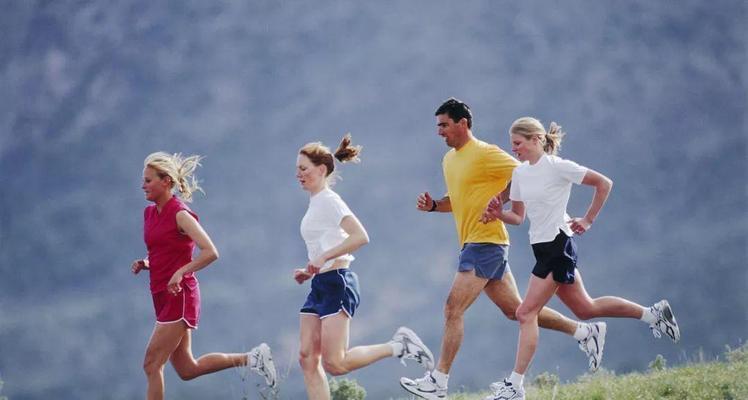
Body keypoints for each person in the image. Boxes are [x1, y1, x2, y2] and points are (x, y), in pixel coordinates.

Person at [400, 99, 605, 400]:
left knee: (452, 308)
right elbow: (458, 200)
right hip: (476, 241)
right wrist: (434, 206)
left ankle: (438, 382)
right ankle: (585, 333)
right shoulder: (449, 161)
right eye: (438, 126)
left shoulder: (486, 153)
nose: (439, 132)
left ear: (462, 123)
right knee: (517, 311)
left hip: (486, 241)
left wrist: (503, 204)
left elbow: (527, 174)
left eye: (443, 125)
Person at [480, 117, 681, 400]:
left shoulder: (559, 167)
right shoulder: (521, 175)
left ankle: (515, 386)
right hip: (542, 247)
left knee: (525, 313)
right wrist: (497, 213)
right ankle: (654, 314)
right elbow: (517, 216)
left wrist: (588, 219)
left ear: (536, 139)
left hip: (559, 245)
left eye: (518, 143)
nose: (514, 149)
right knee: (586, 309)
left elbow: (604, 183)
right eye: (512, 144)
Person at [293, 134, 435, 400]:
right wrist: (310, 269)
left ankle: (398, 345)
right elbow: (325, 244)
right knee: (307, 358)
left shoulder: (329, 200)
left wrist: (323, 259)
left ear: (321, 170)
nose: (298, 174)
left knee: (335, 363)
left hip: (338, 283)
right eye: (297, 169)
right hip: (320, 283)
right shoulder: (316, 202)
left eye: (303, 168)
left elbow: (360, 236)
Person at [132, 152, 277, 400]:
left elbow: (211, 252)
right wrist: (147, 263)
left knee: (151, 364)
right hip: (161, 294)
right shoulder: (149, 213)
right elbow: (164, 251)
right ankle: (254, 358)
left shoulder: (180, 214)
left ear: (166, 181)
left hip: (181, 295)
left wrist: (180, 272)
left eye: (148, 180)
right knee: (188, 369)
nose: (142, 185)